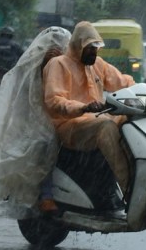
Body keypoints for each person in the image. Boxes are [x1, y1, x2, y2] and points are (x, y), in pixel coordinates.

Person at [0, 26, 72, 210]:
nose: (56, 50)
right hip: (38, 123)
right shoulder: (31, 66)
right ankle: (46, 195)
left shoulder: (67, 65)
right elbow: (30, 102)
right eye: (52, 47)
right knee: (46, 146)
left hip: (63, 116)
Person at [42, 21, 136, 201]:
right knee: (106, 126)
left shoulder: (97, 64)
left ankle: (140, 180)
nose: (94, 52)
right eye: (90, 48)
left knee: (128, 120)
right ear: (78, 46)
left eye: (96, 47)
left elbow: (123, 82)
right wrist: (83, 107)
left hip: (95, 119)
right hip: (69, 125)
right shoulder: (59, 64)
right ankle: (130, 190)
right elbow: (54, 101)